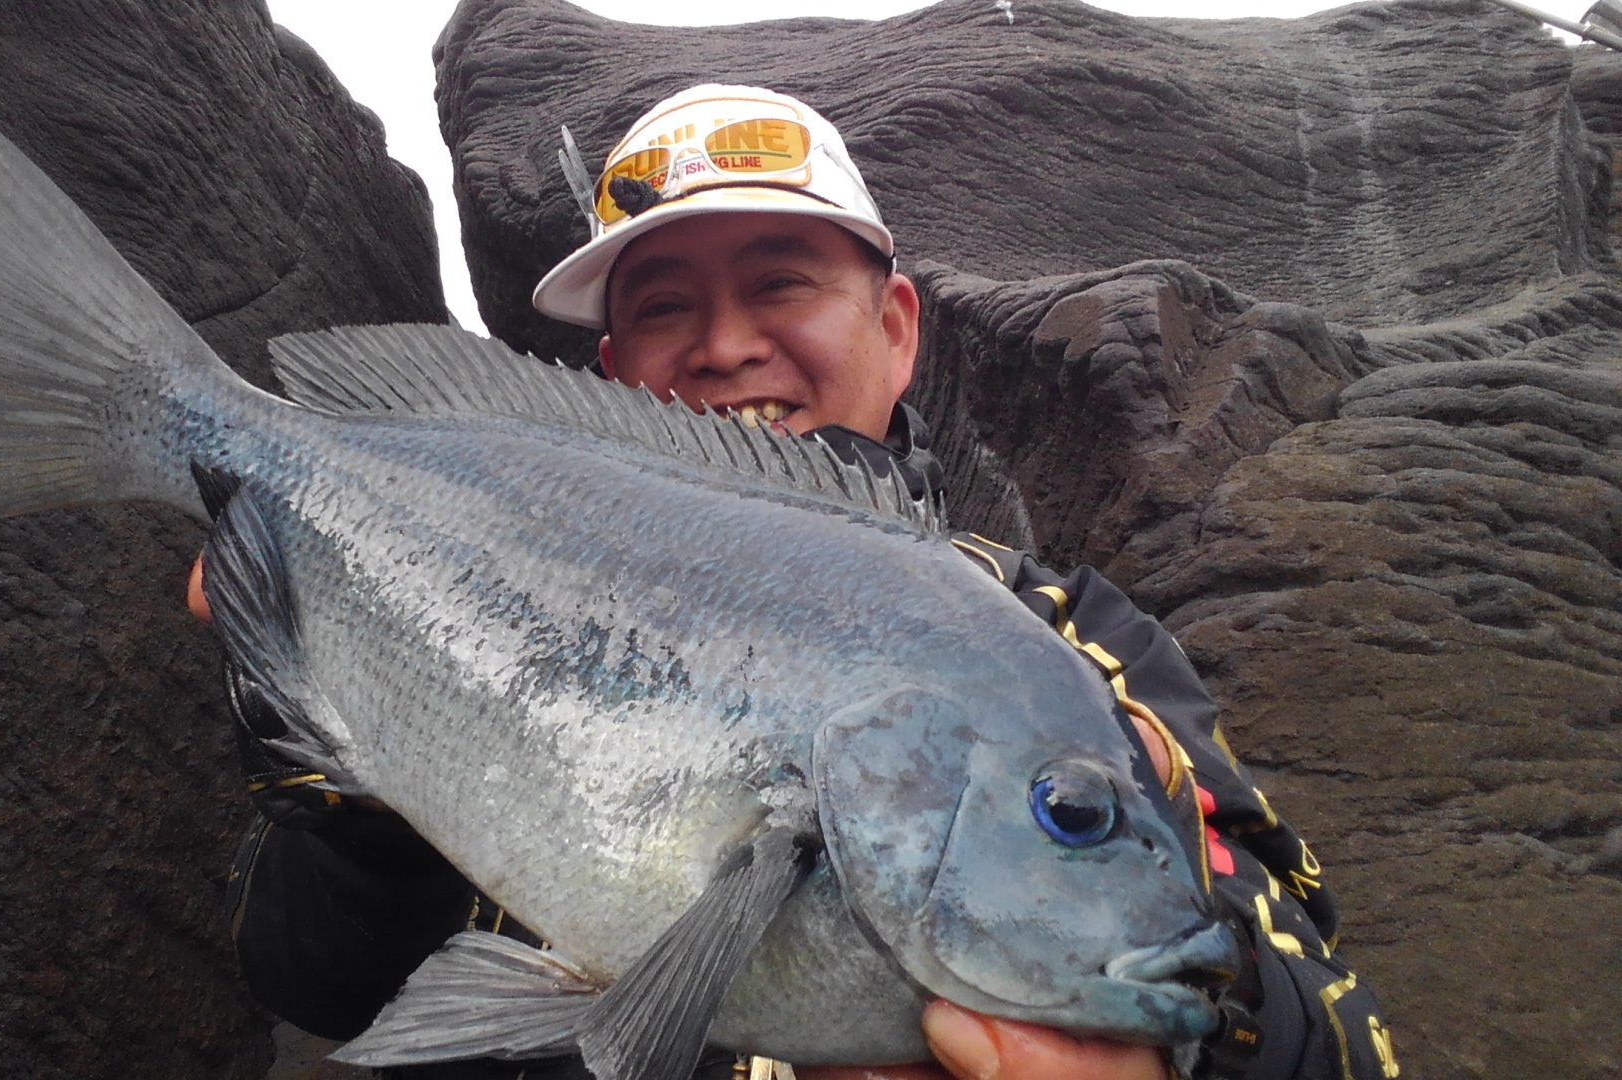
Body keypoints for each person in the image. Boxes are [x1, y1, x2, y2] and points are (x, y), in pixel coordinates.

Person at [211, 85, 1395, 1080]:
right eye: (667, 307)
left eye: (781, 282)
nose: (725, 345)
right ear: (614, 376)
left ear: (896, 327)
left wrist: (1206, 1045)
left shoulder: (1069, 639)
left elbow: (1324, 1010)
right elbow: (324, 986)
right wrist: (344, 782)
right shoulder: (454, 558)